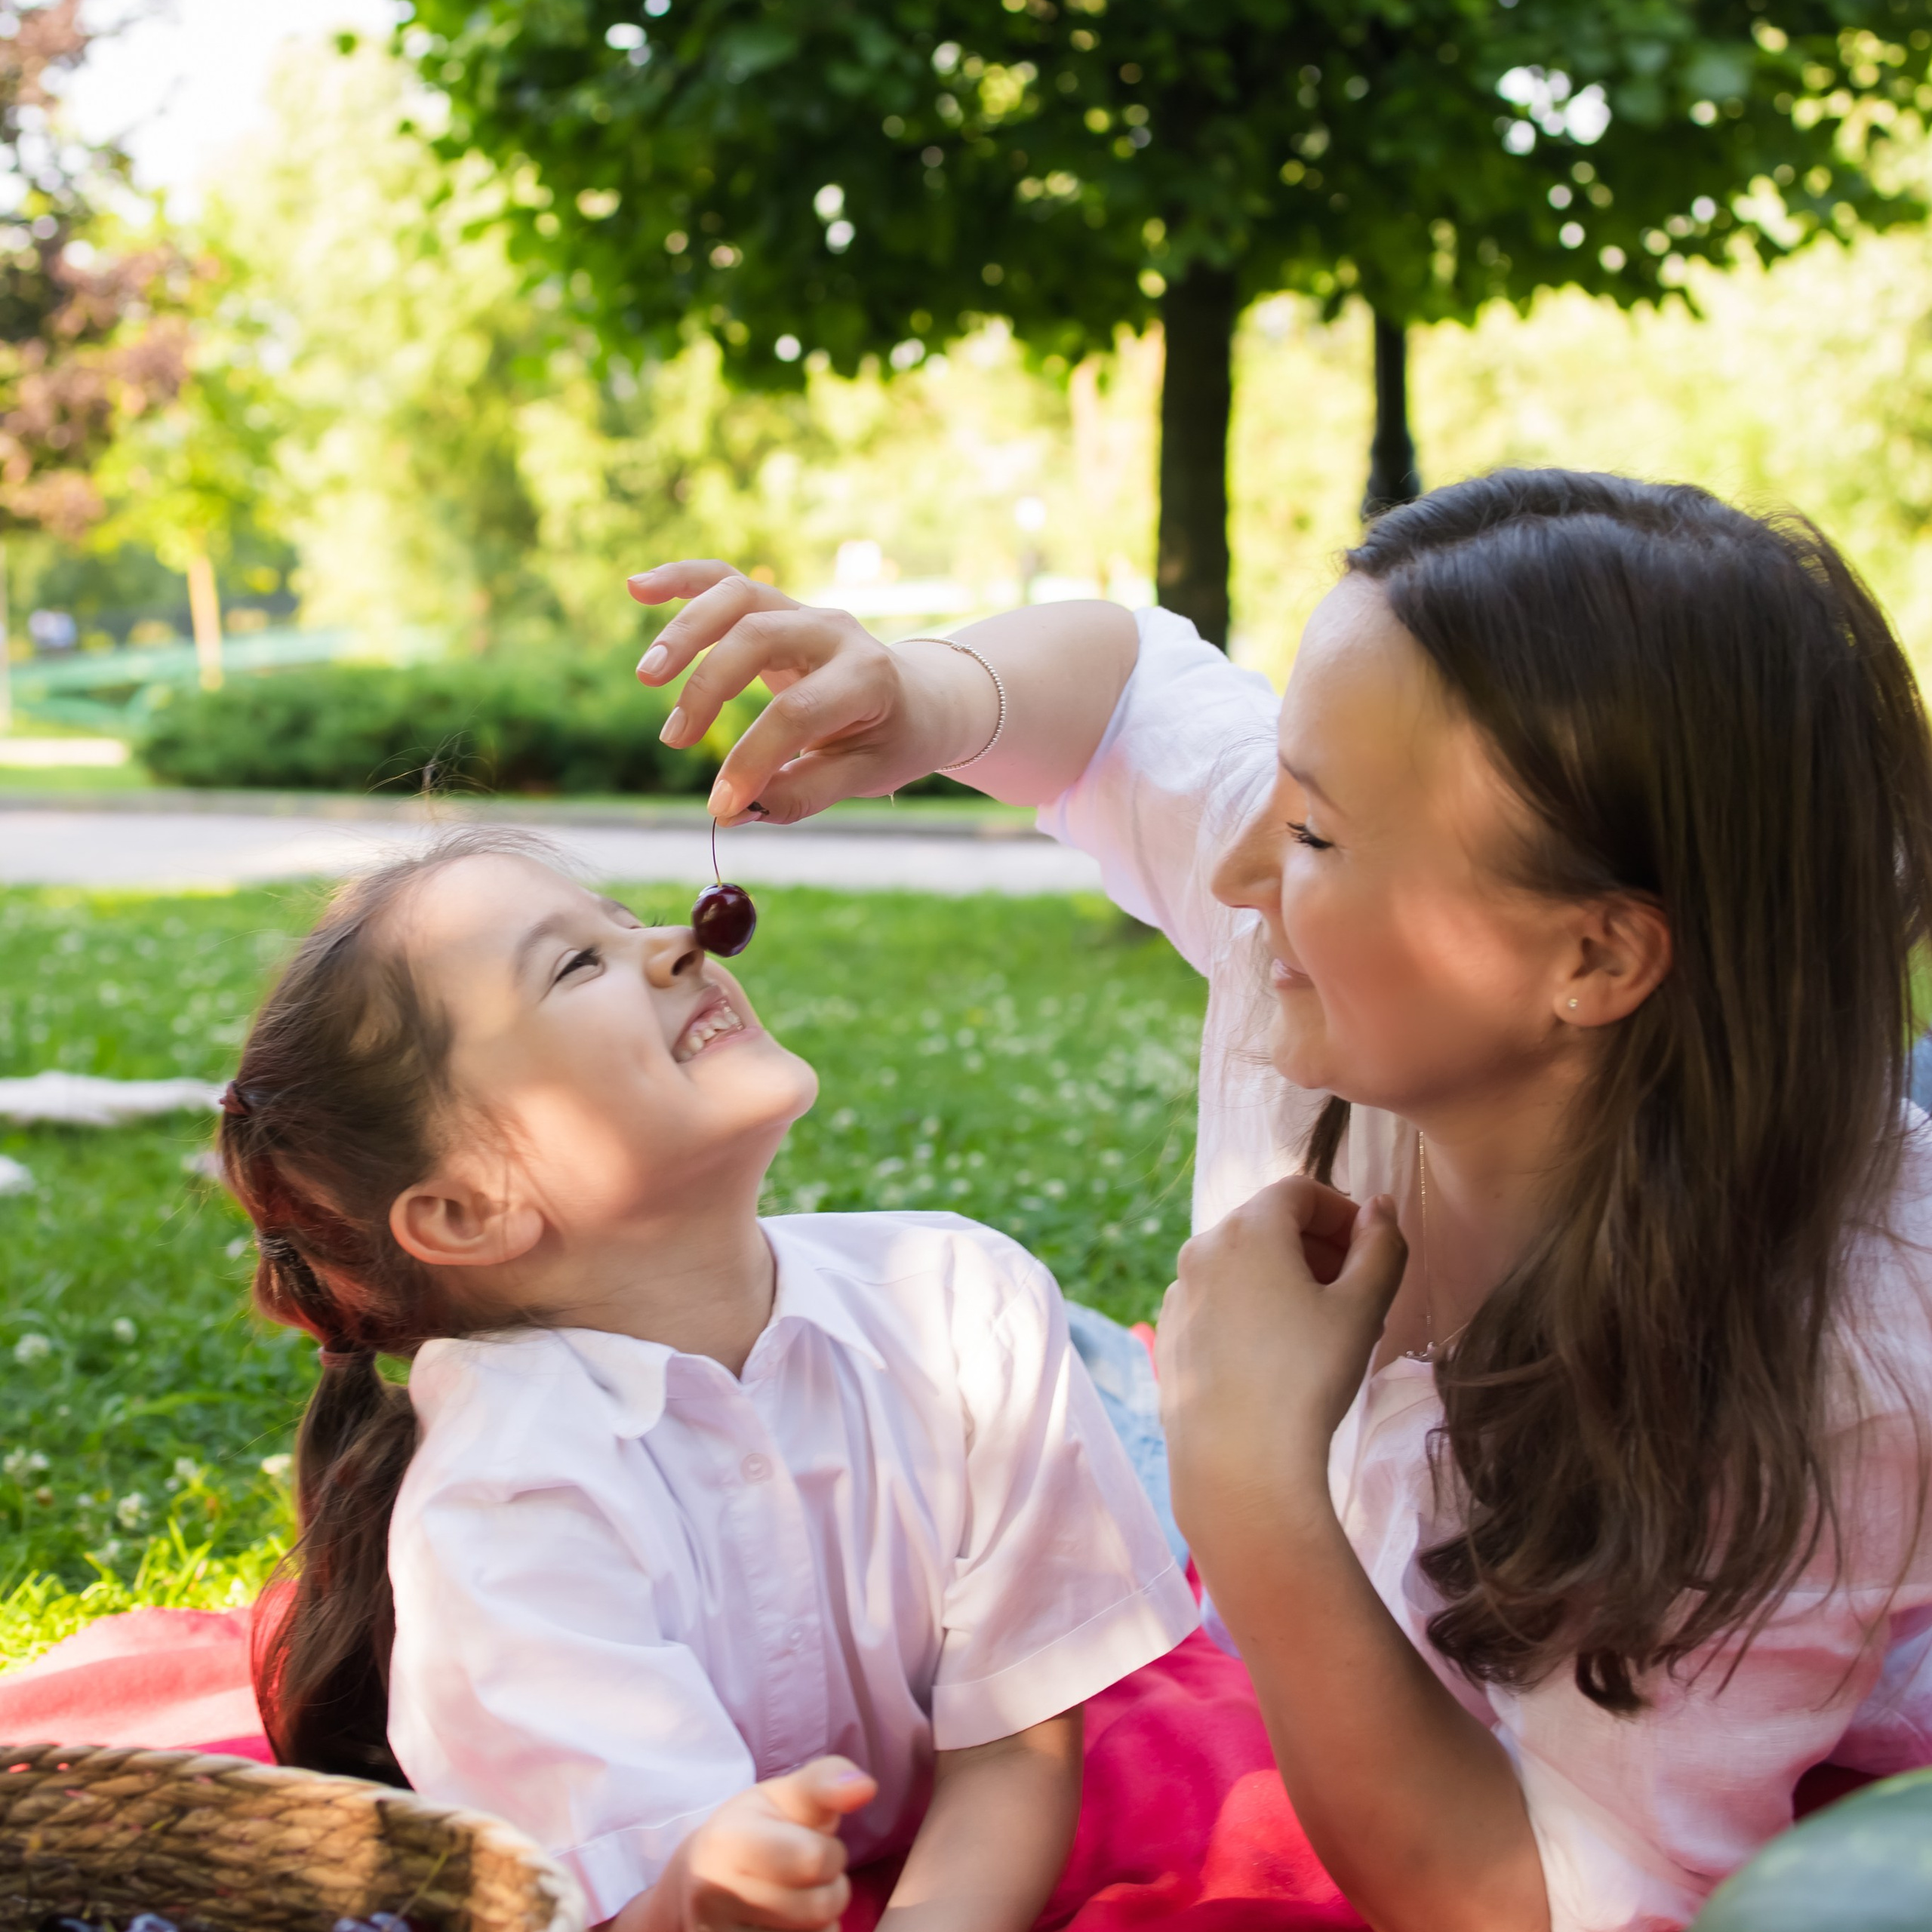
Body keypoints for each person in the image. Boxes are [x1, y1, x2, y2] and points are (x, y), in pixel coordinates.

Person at [630, 469, 1932, 1932]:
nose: (1240, 866)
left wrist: (1246, 1484)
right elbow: (1120, 685)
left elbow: (1547, 1897)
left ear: (1591, 957)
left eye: (1311, 833)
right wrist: (923, 695)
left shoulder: (1829, 1371)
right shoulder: (1334, 940)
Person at [217, 829, 1197, 1932]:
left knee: (1166, 1453)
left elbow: (1015, 1745)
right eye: (576, 964)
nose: (681, 944)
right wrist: (691, 1899)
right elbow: (635, 1902)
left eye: (629, 920)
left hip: (1072, 1372)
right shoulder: (506, 1508)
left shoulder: (967, 1299)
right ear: (466, 1209)